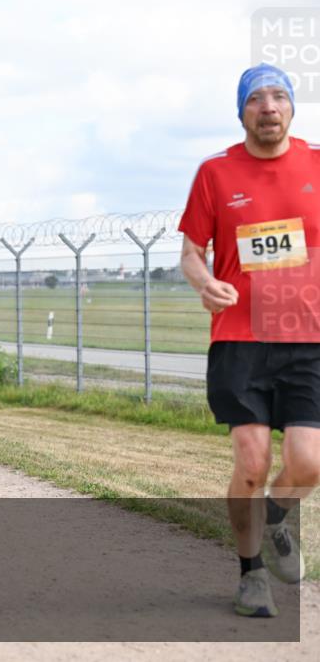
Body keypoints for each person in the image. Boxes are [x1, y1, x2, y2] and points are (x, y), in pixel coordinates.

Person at [179, 63, 320, 618]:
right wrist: (204, 281)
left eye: (279, 96)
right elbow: (191, 251)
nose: (268, 106)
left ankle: (280, 517)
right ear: (241, 112)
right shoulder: (215, 173)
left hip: (308, 336)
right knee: (253, 461)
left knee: (308, 463)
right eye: (256, 98)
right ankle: (251, 573)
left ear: (291, 109)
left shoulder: (315, 165)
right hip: (240, 337)